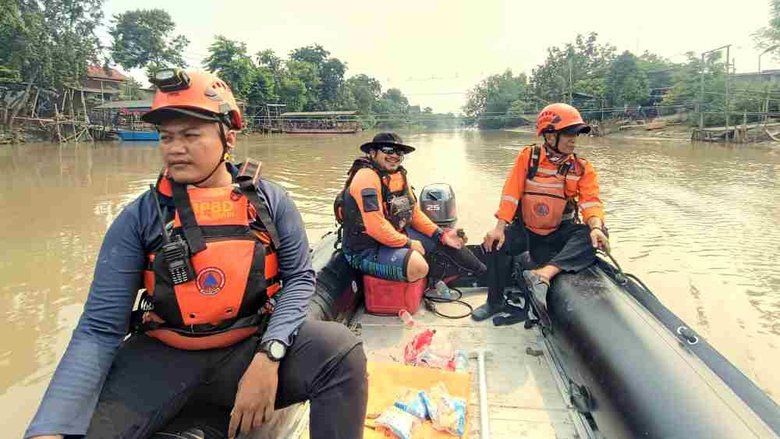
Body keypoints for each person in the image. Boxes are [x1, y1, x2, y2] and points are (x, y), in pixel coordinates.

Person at [26, 70, 367, 439]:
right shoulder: (139, 217)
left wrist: (270, 355)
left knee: (341, 352)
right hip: (160, 358)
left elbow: (300, 278)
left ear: (228, 138)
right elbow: (98, 328)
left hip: (246, 346)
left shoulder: (270, 201)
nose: (174, 147)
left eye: (190, 135)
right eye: (166, 136)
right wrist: (49, 427)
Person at [472, 103, 610, 323]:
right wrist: (499, 228)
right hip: (526, 229)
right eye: (568, 133)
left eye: (576, 134)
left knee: (594, 235)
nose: (574, 139)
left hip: (558, 231)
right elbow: (511, 193)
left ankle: (544, 274)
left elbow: (590, 202)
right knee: (496, 243)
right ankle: (494, 302)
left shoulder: (582, 168)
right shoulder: (529, 156)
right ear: (549, 134)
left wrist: (595, 227)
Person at [335, 132, 484, 292]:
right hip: (364, 249)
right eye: (388, 150)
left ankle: (483, 273)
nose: (394, 156)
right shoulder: (366, 178)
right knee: (418, 266)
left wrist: (440, 234)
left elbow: (414, 213)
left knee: (447, 240)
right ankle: (431, 279)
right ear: (373, 153)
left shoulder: (399, 176)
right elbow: (375, 226)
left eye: (399, 152)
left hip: (392, 236)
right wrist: (408, 243)